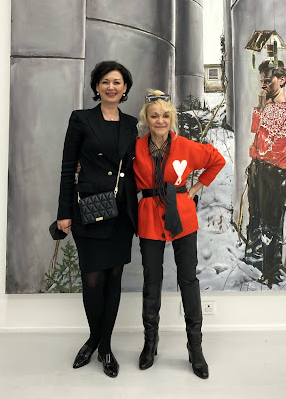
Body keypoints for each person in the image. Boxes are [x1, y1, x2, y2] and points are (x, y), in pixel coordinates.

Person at [133, 90, 225, 379]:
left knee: (188, 279)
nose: (160, 120)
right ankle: (150, 343)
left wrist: (196, 188)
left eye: (165, 115)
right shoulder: (135, 148)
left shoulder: (185, 146)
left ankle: (195, 347)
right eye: (154, 115)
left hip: (183, 218)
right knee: (152, 279)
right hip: (150, 218)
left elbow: (216, 160)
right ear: (146, 119)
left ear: (171, 118)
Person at [57, 60, 138, 378]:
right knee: (92, 280)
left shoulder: (131, 123)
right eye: (105, 82)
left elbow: (134, 166)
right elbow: (68, 167)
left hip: (120, 213)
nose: (111, 87)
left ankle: (104, 346)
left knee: (114, 279)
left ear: (125, 88)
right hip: (89, 211)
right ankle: (94, 338)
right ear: (96, 87)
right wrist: (64, 212)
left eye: (117, 82)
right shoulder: (81, 119)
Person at [245, 59, 286, 287]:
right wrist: (260, 109)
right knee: (256, 215)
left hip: (278, 173)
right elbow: (255, 131)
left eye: (268, 81)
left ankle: (271, 273)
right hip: (259, 169)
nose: (264, 85)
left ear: (282, 80)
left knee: (272, 223)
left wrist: (259, 151)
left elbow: (282, 148)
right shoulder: (267, 107)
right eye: (262, 80)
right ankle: (255, 260)